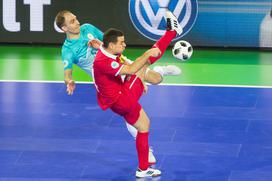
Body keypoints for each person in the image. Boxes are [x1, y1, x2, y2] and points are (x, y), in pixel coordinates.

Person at [55, 10, 181, 165]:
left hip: (117, 62)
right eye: (72, 21)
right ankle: (146, 150)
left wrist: (100, 45)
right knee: (130, 108)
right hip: (107, 80)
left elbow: (111, 44)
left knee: (155, 79)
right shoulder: (67, 50)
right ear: (64, 28)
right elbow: (67, 73)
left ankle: (161, 69)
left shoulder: (87, 28)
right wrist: (69, 81)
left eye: (76, 18)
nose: (78, 22)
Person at [92, 10, 182, 177]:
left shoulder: (108, 51)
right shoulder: (103, 61)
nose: (124, 45)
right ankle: (172, 32)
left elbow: (118, 60)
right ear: (111, 45)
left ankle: (143, 169)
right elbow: (133, 69)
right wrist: (147, 53)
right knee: (144, 63)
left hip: (119, 100)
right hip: (122, 99)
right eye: (122, 42)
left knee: (144, 126)